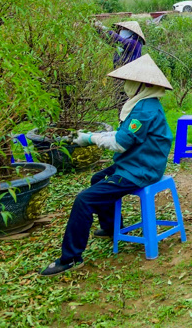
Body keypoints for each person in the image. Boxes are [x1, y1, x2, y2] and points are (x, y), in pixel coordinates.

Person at [39, 55, 173, 276]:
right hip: (138, 162)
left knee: (84, 199)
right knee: (97, 179)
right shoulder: (145, 104)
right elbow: (124, 134)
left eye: (129, 82)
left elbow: (120, 143)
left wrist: (90, 139)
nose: (125, 86)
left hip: (140, 170)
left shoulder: (144, 111)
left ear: (143, 84)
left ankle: (70, 258)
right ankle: (112, 227)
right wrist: (93, 135)